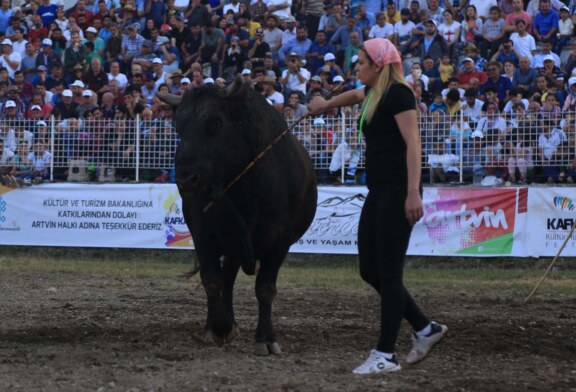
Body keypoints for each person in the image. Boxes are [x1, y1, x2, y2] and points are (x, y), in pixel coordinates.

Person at [308, 38, 447, 375]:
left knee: (388, 271)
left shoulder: (399, 94)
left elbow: (413, 143)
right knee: (369, 269)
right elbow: (352, 96)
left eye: (360, 62)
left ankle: (385, 354)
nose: (355, 66)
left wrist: (413, 193)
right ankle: (425, 328)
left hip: (399, 190)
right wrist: (323, 105)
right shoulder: (374, 94)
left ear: (378, 65)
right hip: (379, 189)